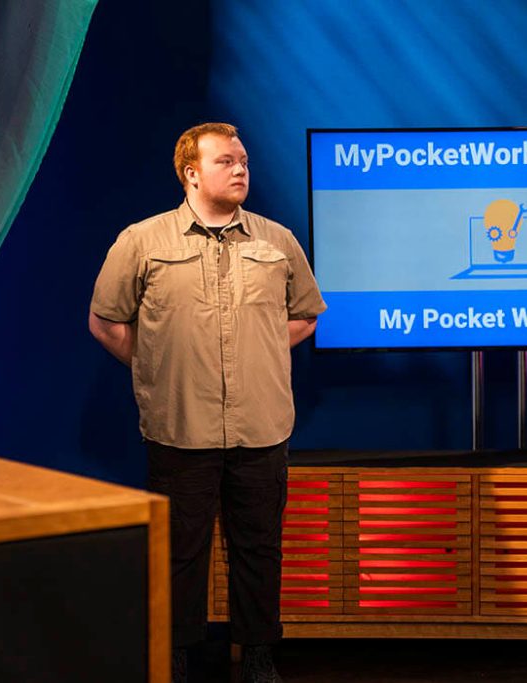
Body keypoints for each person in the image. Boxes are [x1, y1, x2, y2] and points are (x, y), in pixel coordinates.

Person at [89, 122, 326, 683]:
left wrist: (260, 352)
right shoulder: (141, 241)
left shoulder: (277, 240)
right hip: (180, 428)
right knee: (178, 553)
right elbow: (105, 321)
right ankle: (175, 653)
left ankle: (260, 653)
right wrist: (157, 367)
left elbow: (306, 315)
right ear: (191, 173)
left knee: (259, 550)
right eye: (226, 161)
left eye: (244, 160)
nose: (241, 168)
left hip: (262, 429)